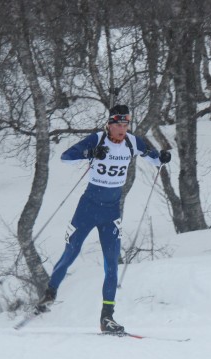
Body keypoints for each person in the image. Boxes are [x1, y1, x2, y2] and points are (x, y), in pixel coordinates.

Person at [35, 104, 171, 333]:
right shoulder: (97, 139)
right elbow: (65, 157)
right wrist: (90, 153)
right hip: (88, 208)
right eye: (118, 124)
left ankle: (107, 317)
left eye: (126, 124)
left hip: (111, 211)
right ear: (109, 124)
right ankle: (50, 294)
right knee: (71, 251)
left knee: (111, 263)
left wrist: (163, 157)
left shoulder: (133, 142)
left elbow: (156, 160)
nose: (122, 129)